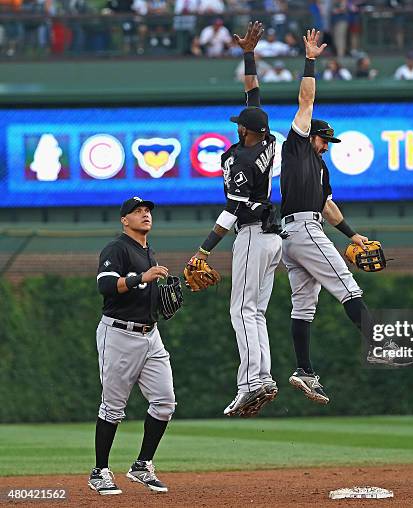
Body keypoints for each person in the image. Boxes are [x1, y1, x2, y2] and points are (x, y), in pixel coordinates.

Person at [280, 29, 397, 405]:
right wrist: (310, 60)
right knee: (348, 286)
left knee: (303, 305)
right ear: (310, 135)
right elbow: (306, 99)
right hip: (302, 228)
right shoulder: (298, 148)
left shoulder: (319, 167)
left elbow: (328, 206)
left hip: (298, 232)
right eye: (324, 140)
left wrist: (352, 234)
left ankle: (304, 370)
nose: (326, 146)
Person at [186, 21, 282, 417]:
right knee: (255, 311)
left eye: (239, 124)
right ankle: (264, 377)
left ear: (246, 131)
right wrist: (248, 53)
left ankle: (250, 384)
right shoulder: (269, 140)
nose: (237, 125)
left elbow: (233, 209)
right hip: (274, 237)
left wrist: (203, 248)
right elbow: (253, 96)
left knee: (240, 310)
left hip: (252, 232)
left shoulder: (241, 159)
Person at [89, 197, 177, 495]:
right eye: (138, 211)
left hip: (150, 335)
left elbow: (143, 290)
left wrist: (162, 300)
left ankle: (142, 465)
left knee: (165, 403)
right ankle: (99, 471)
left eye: (148, 211)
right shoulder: (117, 248)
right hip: (119, 335)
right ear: (124, 220)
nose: (145, 214)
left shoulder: (147, 252)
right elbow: (105, 285)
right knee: (113, 407)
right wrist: (142, 277)